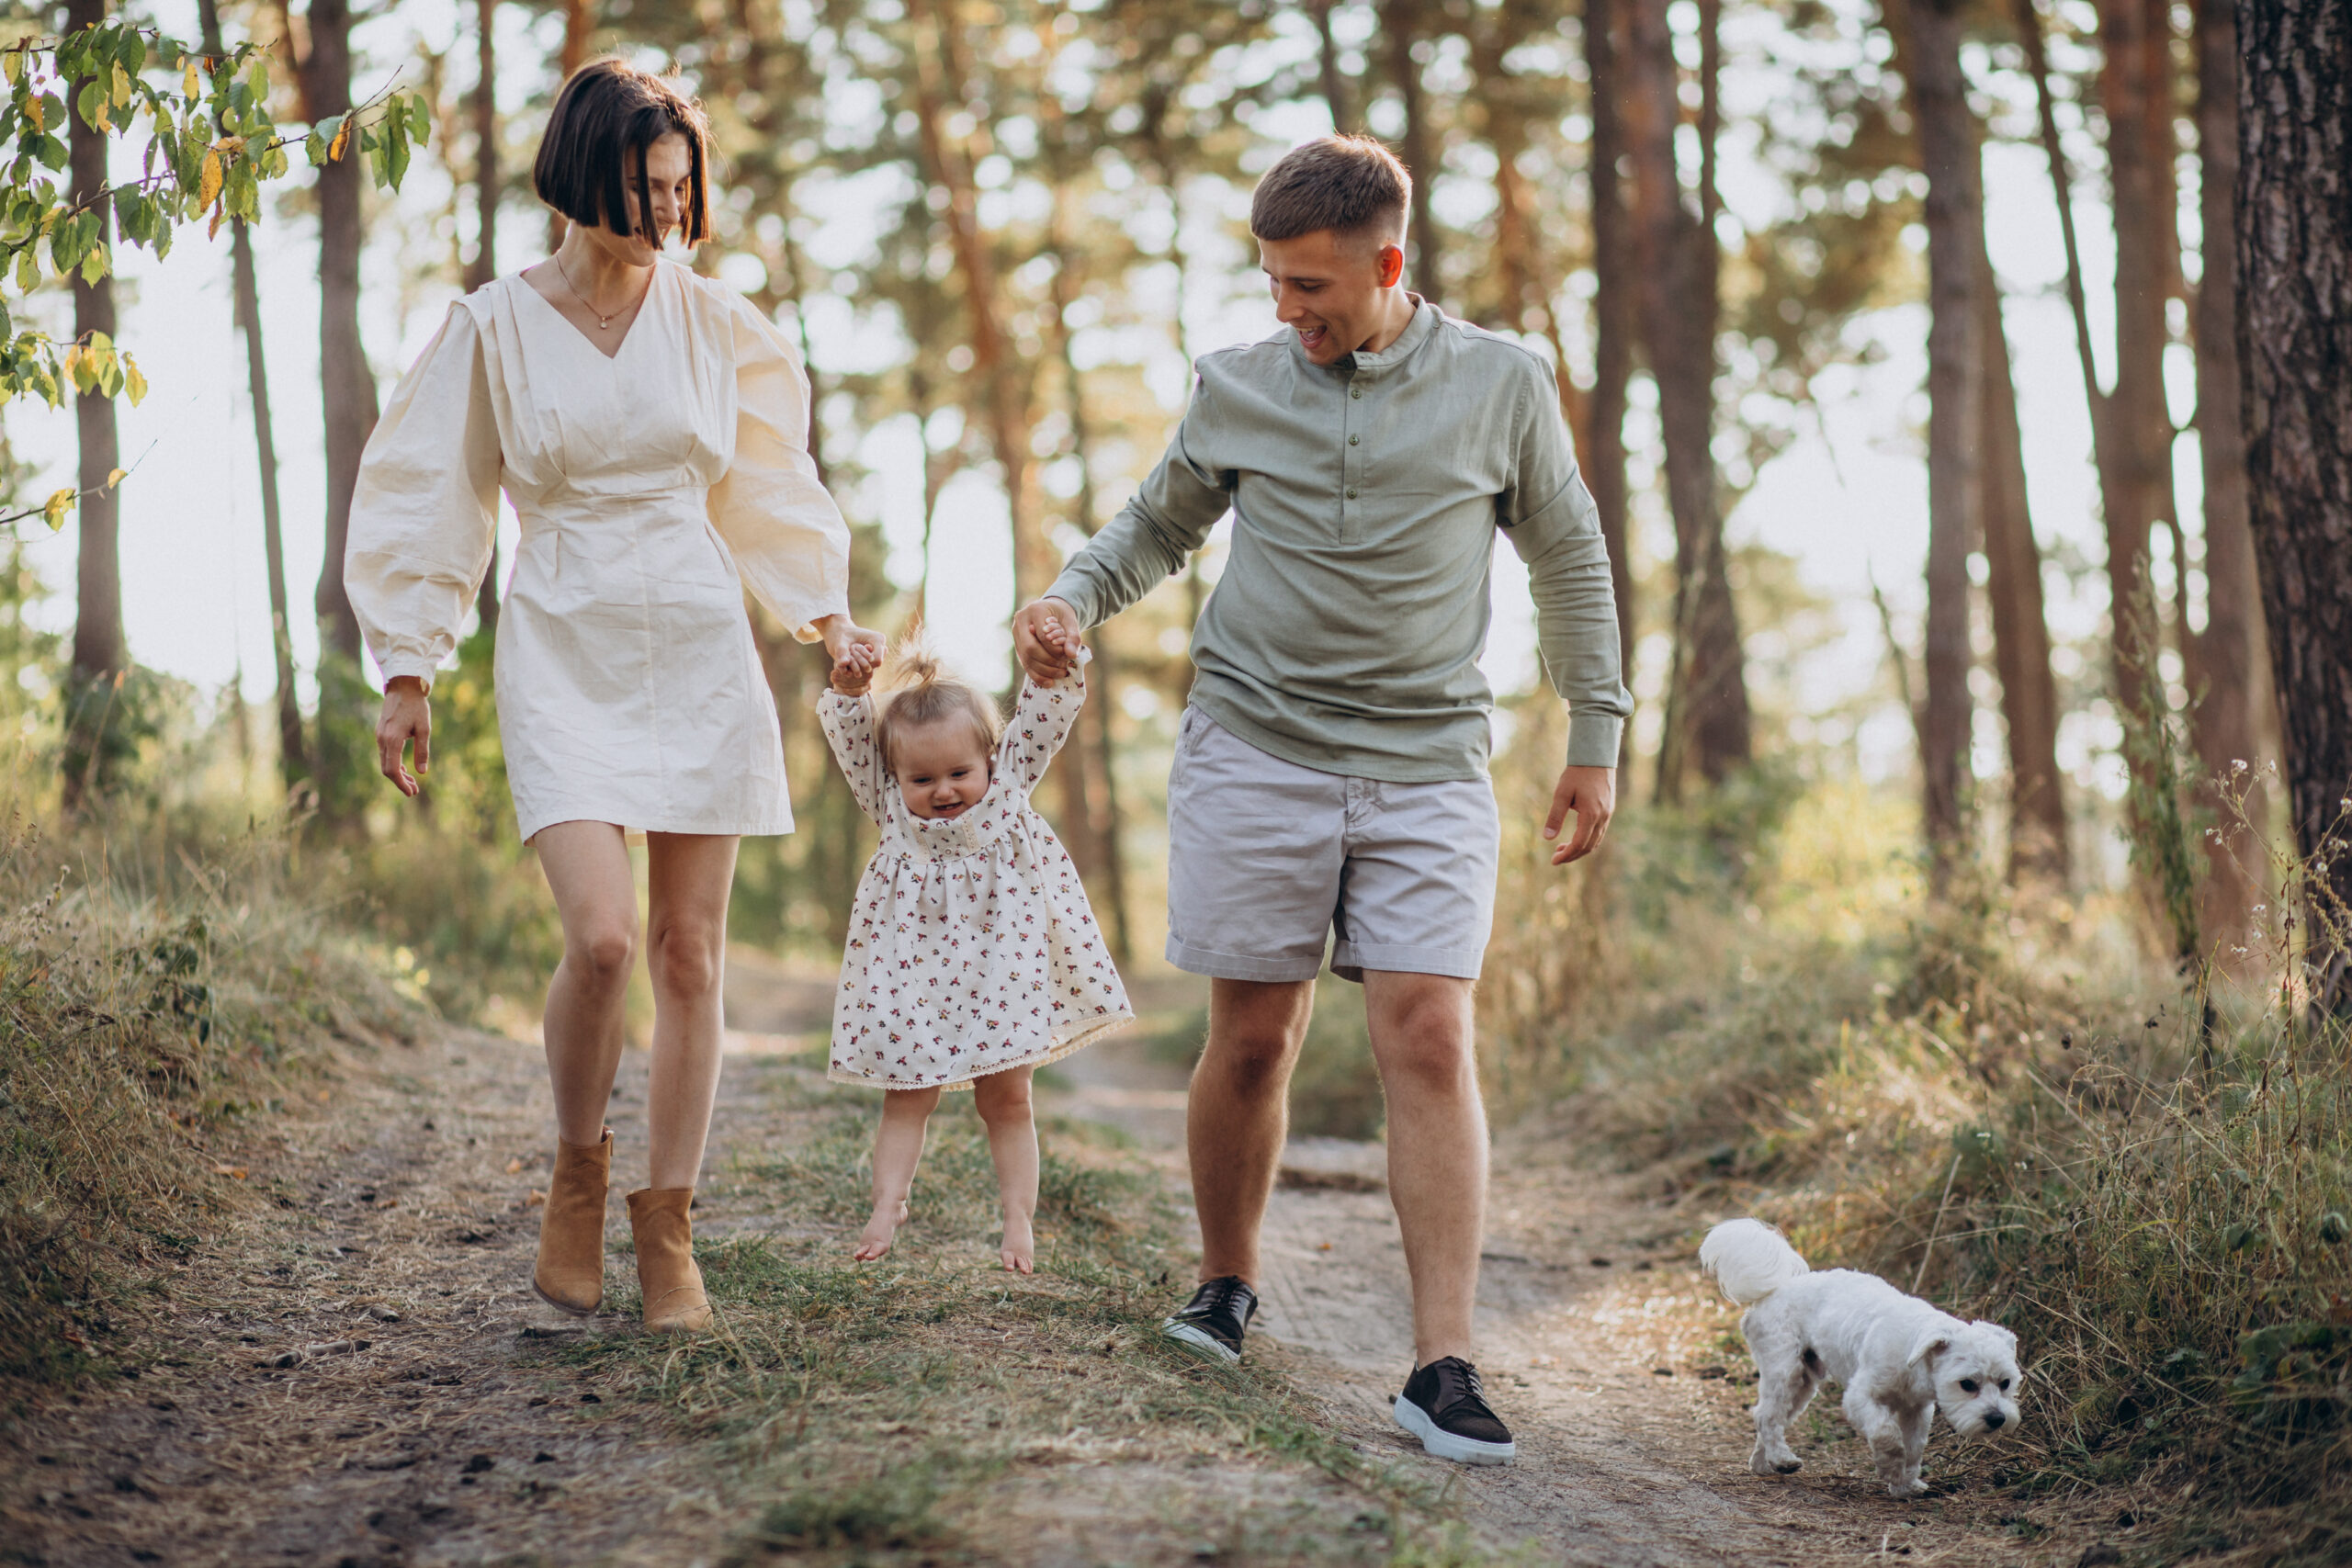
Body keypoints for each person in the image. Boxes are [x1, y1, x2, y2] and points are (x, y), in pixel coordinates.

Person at [1011, 136, 1630, 1465]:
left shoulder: (1503, 381)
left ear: (1389, 265)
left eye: (1312, 288)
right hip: (1258, 742)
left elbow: (1569, 552)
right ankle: (1227, 1279)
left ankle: (1441, 1359)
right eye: (1275, 284)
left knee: (1428, 1034)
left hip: (1427, 759)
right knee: (1253, 1039)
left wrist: (1596, 732)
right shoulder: (1238, 382)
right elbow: (1154, 526)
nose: (1287, 312)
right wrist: (1071, 594)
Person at [345, 59, 881, 1334]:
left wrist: (825, 608)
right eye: (647, 188)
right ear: (586, 176)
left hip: (696, 632)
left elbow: (767, 478)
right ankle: (577, 1169)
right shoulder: (492, 324)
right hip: (562, 632)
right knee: (603, 940)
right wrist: (410, 662)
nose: (668, 216)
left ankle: (670, 1224)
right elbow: (430, 489)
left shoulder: (715, 320)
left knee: (692, 952)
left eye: (683, 191)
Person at [818, 630, 1133, 1274]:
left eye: (959, 772)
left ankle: (1018, 1216)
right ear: (895, 777)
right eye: (921, 777)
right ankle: (888, 1203)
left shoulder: (1010, 785)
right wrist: (851, 696)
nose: (942, 791)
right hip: (915, 979)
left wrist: (1053, 662)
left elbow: (1045, 712)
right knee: (908, 1092)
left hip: (1001, 973)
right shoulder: (891, 811)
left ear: (990, 758)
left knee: (1007, 1097)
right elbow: (855, 748)